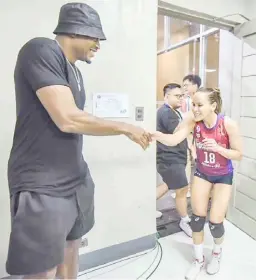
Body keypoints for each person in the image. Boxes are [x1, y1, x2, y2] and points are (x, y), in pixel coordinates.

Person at [6, 3, 151, 279]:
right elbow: (68, 118)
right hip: (43, 182)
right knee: (43, 268)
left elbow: (75, 120)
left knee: (72, 246)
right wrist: (125, 127)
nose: (98, 44)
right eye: (94, 37)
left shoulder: (75, 72)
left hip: (75, 177)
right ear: (75, 30)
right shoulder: (41, 50)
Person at [152, 87, 242, 280]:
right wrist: (155, 135)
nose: (195, 108)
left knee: (216, 222)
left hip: (222, 176)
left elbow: (239, 154)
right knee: (197, 220)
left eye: (200, 105)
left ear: (213, 105)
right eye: (193, 104)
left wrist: (219, 149)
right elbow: (174, 139)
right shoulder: (194, 122)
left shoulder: (227, 124)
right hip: (202, 173)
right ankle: (198, 260)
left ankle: (216, 254)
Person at [156, 83, 192, 237]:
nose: (181, 99)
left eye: (182, 96)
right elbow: (178, 132)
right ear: (166, 96)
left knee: (168, 185)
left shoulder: (172, 111)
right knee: (182, 189)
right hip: (170, 159)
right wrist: (192, 118)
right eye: (177, 96)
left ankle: (145, 208)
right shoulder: (166, 113)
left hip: (174, 157)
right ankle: (184, 220)